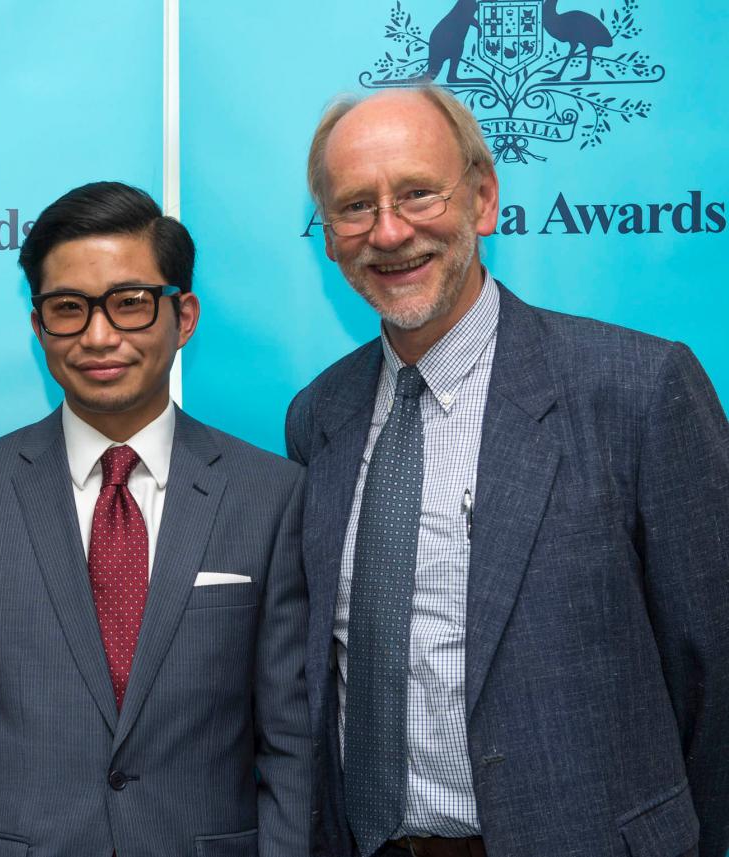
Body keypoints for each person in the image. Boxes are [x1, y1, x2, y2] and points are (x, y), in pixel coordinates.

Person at [287, 85, 729, 857]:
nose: (389, 232)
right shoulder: (318, 417)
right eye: (356, 207)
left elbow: (715, 668)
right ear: (329, 238)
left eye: (418, 193)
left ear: (484, 198)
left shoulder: (637, 389)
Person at [0, 181, 310, 857]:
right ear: (38, 325)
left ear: (184, 314)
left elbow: (291, 744)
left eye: (130, 304)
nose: (99, 335)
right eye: (69, 309)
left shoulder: (271, 494)